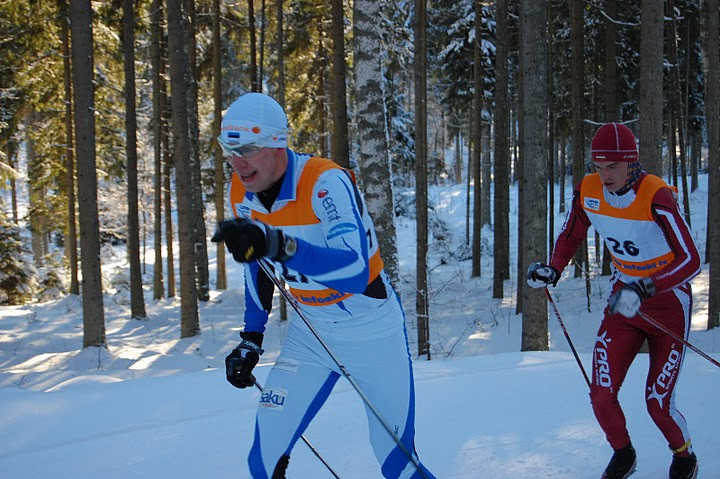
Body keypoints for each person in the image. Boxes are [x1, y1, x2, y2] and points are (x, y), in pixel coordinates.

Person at [212, 92, 435, 479]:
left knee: (397, 464)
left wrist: (280, 245)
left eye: (247, 148)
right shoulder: (239, 192)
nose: (237, 161)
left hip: (371, 329)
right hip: (310, 333)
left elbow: (354, 270)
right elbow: (256, 265)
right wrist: (252, 336)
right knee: (263, 462)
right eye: (228, 149)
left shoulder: (324, 182)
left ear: (277, 142)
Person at [526, 122, 700, 479]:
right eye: (598, 165)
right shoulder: (589, 190)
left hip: (668, 305)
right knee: (601, 394)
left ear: (632, 163)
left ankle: (684, 457)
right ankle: (624, 454)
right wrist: (554, 269)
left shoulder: (657, 195)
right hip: (624, 302)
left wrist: (648, 287)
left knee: (657, 404)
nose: (604, 175)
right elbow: (572, 232)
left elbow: (691, 259)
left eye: (613, 166)